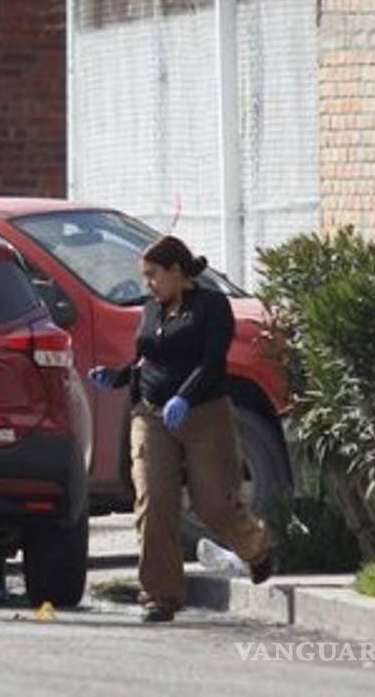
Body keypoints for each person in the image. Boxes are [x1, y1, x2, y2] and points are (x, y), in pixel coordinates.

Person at [90, 235, 271, 623]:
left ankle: (256, 548)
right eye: (145, 277)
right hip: (151, 416)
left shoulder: (211, 306)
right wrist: (118, 377)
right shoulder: (151, 309)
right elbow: (144, 358)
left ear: (176, 271)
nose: (148, 284)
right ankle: (160, 595)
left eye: (153, 275)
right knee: (153, 503)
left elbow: (211, 362)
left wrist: (185, 397)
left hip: (204, 413)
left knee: (214, 506)